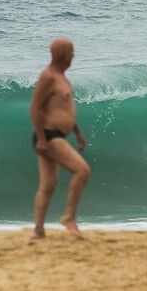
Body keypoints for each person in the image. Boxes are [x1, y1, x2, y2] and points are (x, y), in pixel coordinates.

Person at [29, 38, 90, 239]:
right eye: (71, 52)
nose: (73, 56)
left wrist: (78, 133)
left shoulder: (63, 78)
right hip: (48, 136)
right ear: (62, 55)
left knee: (48, 185)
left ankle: (38, 230)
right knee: (82, 170)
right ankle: (69, 217)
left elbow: (65, 110)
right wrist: (42, 139)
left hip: (57, 135)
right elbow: (35, 108)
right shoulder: (48, 77)